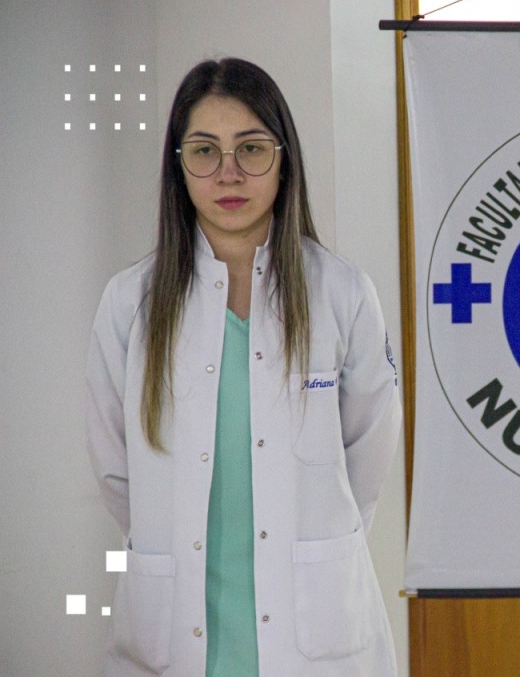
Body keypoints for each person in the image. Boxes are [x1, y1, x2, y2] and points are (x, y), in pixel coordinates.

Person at [85, 57, 401, 676]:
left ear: (284, 160)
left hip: (315, 632)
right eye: (205, 150)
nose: (228, 172)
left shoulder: (342, 293)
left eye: (251, 148)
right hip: (175, 629)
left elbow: (369, 459)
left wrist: (314, 542)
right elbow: (114, 471)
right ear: (179, 165)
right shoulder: (131, 302)